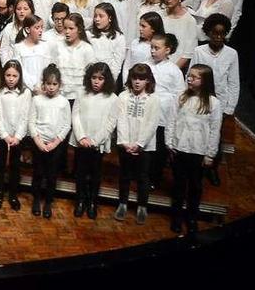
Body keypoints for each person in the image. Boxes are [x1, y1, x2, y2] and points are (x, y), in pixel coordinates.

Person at [167, 64, 222, 235]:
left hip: (199, 151)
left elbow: (215, 129)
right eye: (189, 76)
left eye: (194, 77)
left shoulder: (213, 103)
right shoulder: (181, 97)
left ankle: (191, 218)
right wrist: (169, 143)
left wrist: (210, 154)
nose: (189, 79)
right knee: (179, 185)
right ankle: (176, 217)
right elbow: (171, 121)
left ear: (204, 81)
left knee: (195, 187)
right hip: (180, 148)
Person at [191, 14, 238, 187]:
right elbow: (192, 74)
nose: (218, 37)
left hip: (220, 101)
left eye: (222, 34)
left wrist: (229, 108)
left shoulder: (232, 54)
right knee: (197, 131)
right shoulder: (199, 51)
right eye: (215, 33)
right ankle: (196, 166)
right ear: (209, 32)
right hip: (199, 99)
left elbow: (233, 82)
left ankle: (211, 168)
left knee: (215, 136)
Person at [70, 62, 119, 219]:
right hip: (81, 140)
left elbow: (111, 123)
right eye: (94, 77)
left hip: (98, 144)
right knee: (80, 172)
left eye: (101, 78)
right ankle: (80, 200)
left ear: (107, 80)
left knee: (96, 174)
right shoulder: (81, 93)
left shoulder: (112, 98)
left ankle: (92, 202)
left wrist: (95, 140)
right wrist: (82, 137)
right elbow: (75, 115)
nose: (96, 81)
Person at [114, 63, 160, 224]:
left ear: (148, 80)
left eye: (142, 79)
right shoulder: (123, 96)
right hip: (126, 143)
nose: (137, 82)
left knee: (143, 176)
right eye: (134, 78)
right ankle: (122, 203)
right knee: (125, 175)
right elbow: (121, 120)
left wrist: (139, 144)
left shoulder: (153, 100)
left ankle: (142, 206)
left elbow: (151, 124)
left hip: (144, 146)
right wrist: (126, 143)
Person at [28, 64, 71, 219]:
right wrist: (38, 141)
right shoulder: (37, 100)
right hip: (39, 142)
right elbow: (31, 122)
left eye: (54, 84)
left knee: (52, 175)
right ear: (43, 84)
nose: (51, 87)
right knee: (38, 173)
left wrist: (55, 142)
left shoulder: (64, 102)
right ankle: (36, 200)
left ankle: (48, 202)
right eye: (48, 84)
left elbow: (67, 124)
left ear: (59, 85)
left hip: (55, 145)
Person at [0, 60, 32, 211]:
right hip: (1, 135)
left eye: (14, 75)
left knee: (15, 165)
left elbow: (26, 116)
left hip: (18, 136)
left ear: (20, 76)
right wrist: (5, 136)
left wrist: (18, 136)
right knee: (0, 164)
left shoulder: (25, 93)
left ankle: (13, 195)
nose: (11, 79)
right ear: (3, 75)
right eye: (8, 75)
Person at [148, 33, 187, 191]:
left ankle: (154, 177)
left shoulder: (174, 70)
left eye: (156, 48)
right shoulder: (146, 65)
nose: (152, 51)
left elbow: (179, 95)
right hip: (147, 113)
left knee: (158, 149)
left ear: (168, 50)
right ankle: (141, 174)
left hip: (163, 115)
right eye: (151, 47)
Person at [12, 14, 57, 93]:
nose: (40, 30)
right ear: (28, 29)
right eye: (37, 28)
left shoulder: (46, 46)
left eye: (41, 27)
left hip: (43, 89)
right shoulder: (18, 48)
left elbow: (49, 68)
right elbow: (20, 70)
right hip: (25, 90)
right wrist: (33, 86)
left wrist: (44, 85)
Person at [162, 0, 198, 70]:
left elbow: (189, 52)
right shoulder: (160, 15)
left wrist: (173, 70)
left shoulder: (189, 20)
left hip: (178, 68)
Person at [88, 3, 126, 81]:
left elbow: (116, 65)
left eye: (101, 16)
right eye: (95, 16)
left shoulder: (119, 37)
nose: (97, 19)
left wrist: (109, 82)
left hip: (108, 80)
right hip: (89, 78)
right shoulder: (88, 34)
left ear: (110, 18)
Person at [123, 12, 164, 83]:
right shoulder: (135, 43)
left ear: (153, 28)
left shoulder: (159, 47)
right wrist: (126, 82)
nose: (140, 29)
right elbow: (127, 65)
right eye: (140, 25)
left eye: (143, 26)